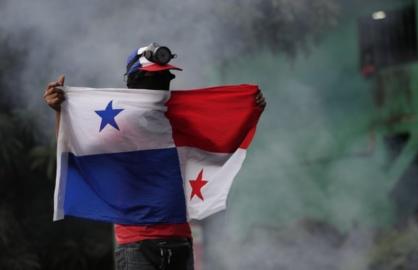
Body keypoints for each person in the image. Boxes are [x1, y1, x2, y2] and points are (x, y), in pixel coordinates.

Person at [43, 43, 266, 270]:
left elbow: (219, 144)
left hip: (178, 240)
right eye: (153, 79)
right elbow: (75, 152)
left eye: (164, 78)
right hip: (137, 244)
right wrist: (62, 111)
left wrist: (249, 111)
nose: (159, 87)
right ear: (134, 82)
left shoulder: (179, 122)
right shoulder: (118, 128)